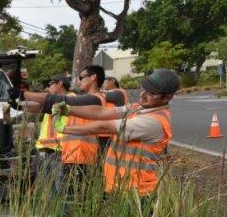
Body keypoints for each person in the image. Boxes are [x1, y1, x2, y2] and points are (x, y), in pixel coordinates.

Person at [58, 68, 177, 197]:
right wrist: (69, 110)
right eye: (144, 88)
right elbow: (101, 112)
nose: (143, 95)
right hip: (120, 188)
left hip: (137, 192)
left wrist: (64, 129)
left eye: (152, 93)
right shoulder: (137, 108)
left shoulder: (154, 121)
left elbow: (104, 127)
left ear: (167, 97)